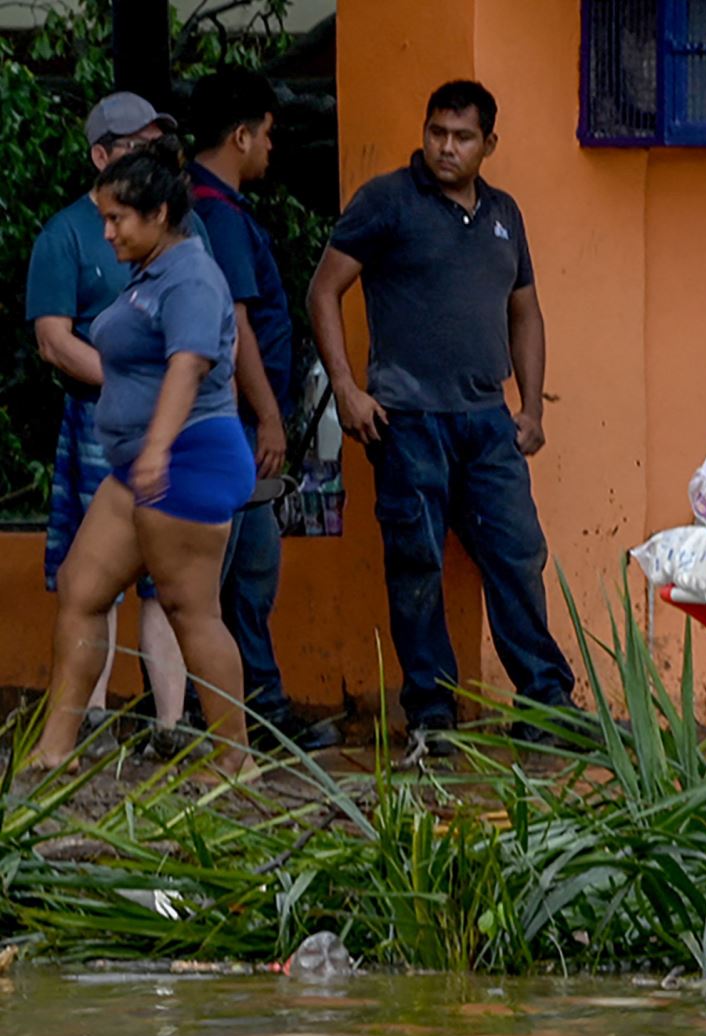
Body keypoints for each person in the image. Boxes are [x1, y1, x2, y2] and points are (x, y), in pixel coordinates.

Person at [306, 79, 574, 759]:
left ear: (489, 144)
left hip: (488, 422)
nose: (446, 148)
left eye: (461, 137)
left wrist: (533, 407)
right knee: (416, 563)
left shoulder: (504, 213)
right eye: (436, 133)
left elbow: (526, 312)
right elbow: (323, 290)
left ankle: (547, 707)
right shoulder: (387, 201)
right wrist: (346, 388)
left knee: (517, 557)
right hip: (407, 421)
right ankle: (431, 715)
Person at [29, 140, 255, 772]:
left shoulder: (192, 276)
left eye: (116, 219)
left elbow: (190, 364)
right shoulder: (149, 272)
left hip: (185, 461)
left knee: (190, 611)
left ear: (158, 214)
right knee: (81, 586)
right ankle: (54, 750)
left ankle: (236, 761)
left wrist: (156, 449)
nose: (105, 233)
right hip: (140, 466)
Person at [187, 67, 339, 752]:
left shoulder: (208, 208)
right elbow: (239, 323)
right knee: (234, 575)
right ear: (241, 135)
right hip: (238, 423)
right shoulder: (217, 214)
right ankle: (230, 711)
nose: (272, 150)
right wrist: (269, 417)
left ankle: (257, 705)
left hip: (236, 420)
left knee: (249, 570)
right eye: (268, 136)